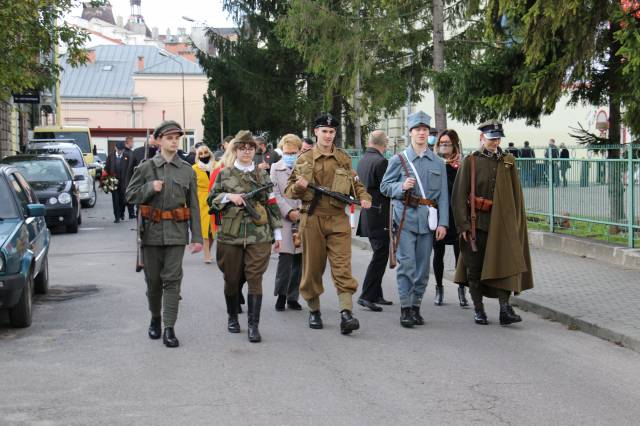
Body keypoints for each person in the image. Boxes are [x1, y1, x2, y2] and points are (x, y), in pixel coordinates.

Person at [285, 113, 372, 335]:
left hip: (337, 219)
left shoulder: (343, 158)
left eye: (332, 132)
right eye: (324, 131)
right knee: (313, 268)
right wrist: (300, 188)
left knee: (342, 266)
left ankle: (346, 313)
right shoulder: (304, 159)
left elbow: (356, 184)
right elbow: (288, 190)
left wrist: (365, 197)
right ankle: (314, 310)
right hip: (312, 218)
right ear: (316, 132)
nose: (328, 135)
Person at [126, 120, 203, 348]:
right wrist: (150, 188)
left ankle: (169, 327)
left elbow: (194, 206)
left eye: (177, 138)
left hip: (177, 233)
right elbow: (130, 195)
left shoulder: (187, 171)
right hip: (151, 233)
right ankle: (155, 318)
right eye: (169, 138)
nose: (174, 141)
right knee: (153, 282)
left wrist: (197, 237)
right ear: (159, 141)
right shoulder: (146, 168)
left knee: (172, 281)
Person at [451, 120, 533, 326]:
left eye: (497, 138)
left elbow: (516, 196)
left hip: (501, 226)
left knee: (505, 264)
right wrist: (463, 226)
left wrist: (515, 225)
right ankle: (479, 310)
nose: (495, 142)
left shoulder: (508, 162)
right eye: (491, 138)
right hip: (476, 224)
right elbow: (459, 196)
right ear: (481, 138)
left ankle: (505, 309)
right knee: (474, 270)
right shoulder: (471, 161)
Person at [208, 131, 283, 343]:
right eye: (242, 148)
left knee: (255, 279)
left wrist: (277, 233)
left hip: (259, 235)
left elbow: (271, 204)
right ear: (235, 150)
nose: (247, 151)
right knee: (231, 279)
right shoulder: (225, 174)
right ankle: (232, 317)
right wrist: (228, 196)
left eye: (250, 148)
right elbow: (211, 200)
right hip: (230, 235)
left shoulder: (262, 175)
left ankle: (253, 326)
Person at [380, 111, 449, 328]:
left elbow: (444, 196)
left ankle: (416, 306)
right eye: (417, 129)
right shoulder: (398, 160)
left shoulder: (438, 162)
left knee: (422, 268)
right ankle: (406, 309)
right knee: (407, 266)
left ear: (429, 134)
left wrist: (443, 223)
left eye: (425, 130)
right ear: (410, 133)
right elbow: (384, 187)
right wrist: (401, 187)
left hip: (428, 222)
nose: (421, 133)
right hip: (405, 220)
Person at [355, 130, 393, 312]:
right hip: (379, 214)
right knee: (380, 255)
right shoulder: (381, 161)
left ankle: (376, 294)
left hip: (368, 214)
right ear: (384, 144)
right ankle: (367, 295)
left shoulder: (362, 160)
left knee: (379, 253)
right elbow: (386, 188)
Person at [432, 129, 468, 307]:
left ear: (454, 144)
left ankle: (462, 290)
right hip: (438, 215)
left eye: (447, 143)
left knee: (459, 254)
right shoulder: (434, 163)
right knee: (438, 253)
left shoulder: (462, 164)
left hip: (457, 215)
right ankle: (439, 288)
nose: (443, 146)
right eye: (441, 143)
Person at [270, 134, 304, 311]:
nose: (289, 155)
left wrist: (300, 211)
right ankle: (281, 295)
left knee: (299, 259)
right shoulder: (275, 168)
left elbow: (309, 192)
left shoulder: (305, 167)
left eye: (293, 152)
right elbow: (274, 194)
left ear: (299, 152)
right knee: (285, 259)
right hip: (284, 218)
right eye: (286, 152)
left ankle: (293, 296)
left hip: (303, 217)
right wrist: (289, 211)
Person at [192, 144, 218, 263]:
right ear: (198, 156)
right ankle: (207, 255)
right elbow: (191, 186)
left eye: (205, 153)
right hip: (201, 199)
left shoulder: (217, 165)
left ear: (209, 153)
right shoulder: (194, 168)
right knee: (205, 229)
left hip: (215, 198)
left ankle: (208, 252)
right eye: (200, 154)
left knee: (213, 229)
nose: (203, 155)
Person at [105, 141, 131, 223]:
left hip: (123, 181)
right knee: (115, 199)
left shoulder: (127, 156)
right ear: (115, 148)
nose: (120, 151)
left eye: (121, 150)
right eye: (119, 149)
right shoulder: (111, 156)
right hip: (113, 181)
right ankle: (116, 216)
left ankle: (122, 213)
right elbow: (107, 168)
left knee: (122, 199)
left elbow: (129, 169)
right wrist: (107, 180)